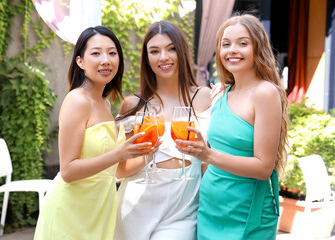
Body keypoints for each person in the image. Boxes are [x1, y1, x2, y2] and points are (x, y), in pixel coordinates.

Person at [34, 26, 158, 240]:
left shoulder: (105, 102)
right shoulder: (77, 100)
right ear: (80, 61)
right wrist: (120, 153)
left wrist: (148, 153)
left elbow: (117, 171)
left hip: (99, 210)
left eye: (112, 53)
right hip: (70, 212)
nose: (106, 60)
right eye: (96, 53)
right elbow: (68, 171)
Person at [175, 14, 289, 240]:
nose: (232, 50)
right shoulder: (222, 93)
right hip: (211, 208)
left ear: (258, 48)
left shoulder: (265, 93)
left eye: (243, 43)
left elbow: (263, 167)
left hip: (246, 212)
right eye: (225, 44)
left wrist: (207, 154)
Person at [114, 20, 212, 240]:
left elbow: (209, 160)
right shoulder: (134, 104)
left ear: (182, 52)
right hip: (137, 204)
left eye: (171, 49)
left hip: (183, 207)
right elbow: (121, 172)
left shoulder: (204, 97)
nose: (163, 57)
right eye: (154, 51)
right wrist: (147, 153)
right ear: (147, 59)